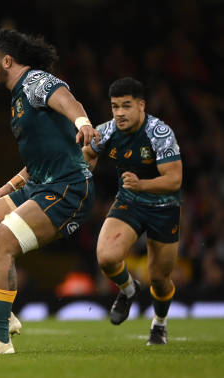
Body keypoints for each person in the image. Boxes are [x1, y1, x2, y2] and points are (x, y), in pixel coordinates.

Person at [0, 29, 99, 355]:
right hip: (38, 185)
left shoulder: (36, 82)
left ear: (7, 60)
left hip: (68, 187)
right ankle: (1, 320)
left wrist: (82, 123)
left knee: (0, 244)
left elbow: (66, 99)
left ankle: (0, 338)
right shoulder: (18, 97)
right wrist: (9, 186)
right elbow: (40, 157)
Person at [82, 77, 182, 345]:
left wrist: (143, 184)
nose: (120, 113)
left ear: (141, 105)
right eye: (115, 107)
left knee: (159, 279)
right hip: (129, 203)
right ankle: (128, 290)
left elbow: (174, 179)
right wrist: (86, 165)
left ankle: (159, 324)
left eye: (126, 106)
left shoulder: (159, 133)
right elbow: (86, 154)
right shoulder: (108, 131)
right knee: (105, 257)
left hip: (164, 207)